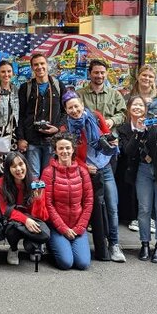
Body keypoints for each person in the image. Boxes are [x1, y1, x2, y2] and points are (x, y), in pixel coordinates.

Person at [62, 90, 124, 263]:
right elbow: (67, 154)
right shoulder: (66, 127)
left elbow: (106, 134)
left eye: (76, 106)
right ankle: (100, 244)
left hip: (104, 165)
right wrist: (83, 167)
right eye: (70, 108)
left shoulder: (95, 116)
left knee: (112, 206)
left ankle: (114, 244)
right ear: (66, 110)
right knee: (96, 207)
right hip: (85, 170)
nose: (74, 110)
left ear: (82, 105)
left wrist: (113, 143)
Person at [115, 96, 157, 263]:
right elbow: (128, 151)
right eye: (134, 104)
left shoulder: (156, 124)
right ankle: (144, 244)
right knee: (144, 209)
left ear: (146, 108)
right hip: (142, 170)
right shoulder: (125, 128)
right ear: (129, 108)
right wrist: (139, 132)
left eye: (140, 105)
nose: (137, 107)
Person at [124, 63, 157, 233]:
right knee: (135, 181)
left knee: (154, 185)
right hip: (133, 139)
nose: (147, 79)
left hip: (155, 146)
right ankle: (136, 216)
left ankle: (150, 219)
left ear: (155, 80)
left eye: (150, 77)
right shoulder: (129, 95)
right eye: (144, 75)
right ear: (138, 76)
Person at [42, 132, 93, 271]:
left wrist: (79, 228)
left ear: (73, 149)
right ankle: (54, 245)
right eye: (61, 148)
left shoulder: (82, 172)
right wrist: (63, 229)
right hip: (58, 227)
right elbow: (48, 204)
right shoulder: (48, 172)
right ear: (56, 151)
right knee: (66, 263)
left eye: (67, 148)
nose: (65, 151)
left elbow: (88, 202)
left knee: (83, 264)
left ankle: (67, 244)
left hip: (77, 225)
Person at [17, 54, 66, 178]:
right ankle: (35, 198)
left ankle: (45, 198)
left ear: (47, 65)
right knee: (33, 176)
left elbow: (66, 112)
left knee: (48, 176)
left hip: (52, 140)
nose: (40, 67)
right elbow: (21, 115)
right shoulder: (26, 88)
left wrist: (58, 128)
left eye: (42, 64)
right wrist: (21, 138)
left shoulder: (58, 86)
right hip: (32, 140)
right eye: (36, 64)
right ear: (32, 67)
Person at [0, 151, 50, 266]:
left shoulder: (35, 183)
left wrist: (38, 200)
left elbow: (41, 216)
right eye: (13, 166)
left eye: (21, 164)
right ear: (8, 169)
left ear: (26, 164)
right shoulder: (2, 183)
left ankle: (33, 245)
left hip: (32, 218)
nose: (18, 169)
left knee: (45, 234)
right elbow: (4, 210)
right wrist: (25, 220)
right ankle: (13, 249)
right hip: (15, 220)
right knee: (11, 228)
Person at [78, 59, 127, 132]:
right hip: (86, 138)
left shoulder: (115, 94)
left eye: (102, 73)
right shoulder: (79, 95)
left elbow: (123, 114)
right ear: (89, 73)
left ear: (106, 73)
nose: (99, 75)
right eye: (96, 72)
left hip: (109, 138)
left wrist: (112, 121)